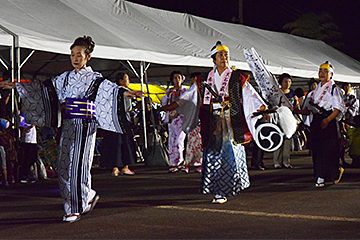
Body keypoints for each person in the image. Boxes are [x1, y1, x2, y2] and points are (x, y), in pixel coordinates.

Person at [14, 36, 143, 222]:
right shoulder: (65, 77)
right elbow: (44, 88)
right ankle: (87, 194)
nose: (75, 58)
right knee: (65, 164)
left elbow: (110, 89)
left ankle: (74, 207)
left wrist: (125, 92)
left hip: (85, 125)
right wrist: (19, 86)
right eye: (72, 54)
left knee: (78, 165)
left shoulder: (94, 78)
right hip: (68, 125)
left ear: (88, 57)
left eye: (79, 55)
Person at [159, 41, 268, 203]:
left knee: (229, 154)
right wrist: (168, 107)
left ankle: (227, 189)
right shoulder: (203, 80)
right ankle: (219, 190)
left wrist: (261, 106)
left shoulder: (238, 77)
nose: (224, 58)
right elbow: (187, 97)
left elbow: (250, 94)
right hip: (212, 122)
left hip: (231, 121)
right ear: (213, 60)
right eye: (220, 55)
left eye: (226, 55)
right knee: (213, 156)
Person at [295, 61, 346, 187]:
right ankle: (320, 176)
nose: (322, 73)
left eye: (325, 71)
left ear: (331, 74)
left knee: (329, 150)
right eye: (320, 71)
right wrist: (298, 110)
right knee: (317, 150)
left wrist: (328, 120)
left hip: (328, 120)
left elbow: (338, 108)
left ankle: (333, 173)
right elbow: (309, 110)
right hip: (317, 121)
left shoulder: (334, 89)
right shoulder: (314, 91)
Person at [101, 72, 136, 176]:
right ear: (121, 81)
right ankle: (125, 167)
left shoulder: (111, 91)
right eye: (127, 79)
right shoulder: (125, 91)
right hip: (123, 121)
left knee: (114, 144)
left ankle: (115, 168)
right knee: (126, 144)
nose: (128, 81)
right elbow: (127, 108)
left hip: (112, 122)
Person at [160, 71, 187, 173]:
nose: (177, 80)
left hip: (181, 118)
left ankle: (180, 162)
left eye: (179, 77)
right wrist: (168, 94)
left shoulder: (184, 91)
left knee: (179, 141)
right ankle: (173, 163)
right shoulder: (169, 91)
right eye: (175, 78)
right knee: (171, 141)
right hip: (172, 119)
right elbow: (164, 103)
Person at [273, 73, 298, 169]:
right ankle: (277, 162)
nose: (288, 83)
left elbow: (295, 107)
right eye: (285, 81)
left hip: (289, 119)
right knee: (279, 139)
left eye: (289, 81)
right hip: (279, 119)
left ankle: (286, 161)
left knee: (288, 141)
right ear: (281, 82)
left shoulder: (292, 93)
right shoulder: (278, 93)